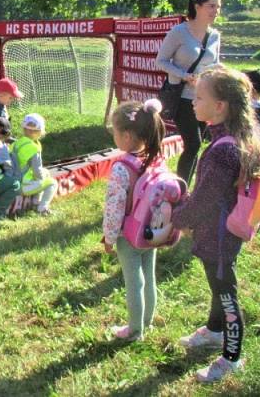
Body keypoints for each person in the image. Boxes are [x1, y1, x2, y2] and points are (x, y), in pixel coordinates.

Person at [172, 66, 260, 383]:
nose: (193, 103)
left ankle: (232, 356)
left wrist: (177, 218)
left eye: (199, 97)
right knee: (217, 285)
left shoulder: (223, 150)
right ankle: (214, 331)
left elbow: (204, 200)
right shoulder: (230, 139)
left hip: (219, 237)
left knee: (226, 294)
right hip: (219, 235)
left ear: (220, 106)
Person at [102, 99, 166, 342]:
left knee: (133, 282)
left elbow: (114, 208)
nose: (113, 135)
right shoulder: (156, 158)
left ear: (127, 136)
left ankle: (134, 331)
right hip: (152, 230)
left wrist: (109, 237)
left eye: (114, 131)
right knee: (148, 277)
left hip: (129, 236)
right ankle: (147, 321)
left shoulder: (121, 168)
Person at [156, 0, 222, 184]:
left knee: (196, 145)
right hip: (182, 96)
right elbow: (161, 61)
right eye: (211, 6)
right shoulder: (179, 32)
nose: (215, 11)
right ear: (197, 6)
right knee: (193, 143)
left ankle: (187, 187)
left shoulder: (215, 36)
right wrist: (185, 76)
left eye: (218, 7)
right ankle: (179, 189)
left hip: (204, 97)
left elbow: (214, 63)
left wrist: (221, 73)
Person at [12, 113, 56, 215]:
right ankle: (42, 209)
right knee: (52, 183)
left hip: (14, 181)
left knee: (45, 172)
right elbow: (37, 171)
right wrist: (44, 180)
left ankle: (35, 202)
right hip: (23, 185)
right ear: (40, 131)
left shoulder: (17, 142)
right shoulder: (33, 148)